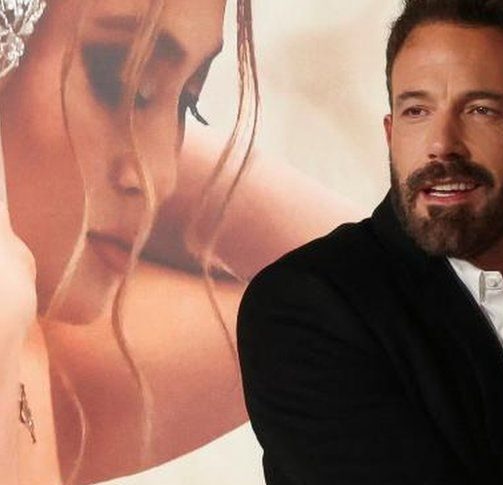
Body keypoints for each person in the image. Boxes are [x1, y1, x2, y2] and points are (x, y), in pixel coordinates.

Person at [0, 0, 359, 482]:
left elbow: (374, 291)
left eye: (187, 104)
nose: (161, 178)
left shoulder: (44, 371)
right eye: (124, 83)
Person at [237, 0, 503, 483]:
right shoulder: (307, 304)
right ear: (391, 133)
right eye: (417, 111)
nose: (442, 144)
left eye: (481, 110)